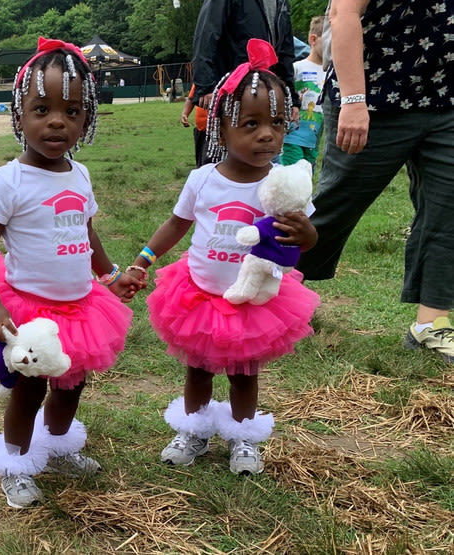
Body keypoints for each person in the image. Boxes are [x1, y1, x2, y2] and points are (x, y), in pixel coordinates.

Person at [131, 40, 319, 476]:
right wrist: (144, 258)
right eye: (251, 124)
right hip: (199, 292)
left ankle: (243, 437)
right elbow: (176, 225)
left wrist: (308, 234)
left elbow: (304, 238)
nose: (267, 134)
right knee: (197, 368)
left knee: (244, 372)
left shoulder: (283, 184)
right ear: (221, 130)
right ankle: (194, 430)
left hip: (251, 300)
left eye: (275, 122)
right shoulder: (203, 180)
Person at [0, 37, 140, 508]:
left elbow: (85, 234)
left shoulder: (79, 175)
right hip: (30, 310)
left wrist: (109, 276)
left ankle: (59, 446)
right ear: (19, 115)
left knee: (72, 384)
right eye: (41, 109)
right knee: (28, 388)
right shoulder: (9, 180)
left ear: (88, 118)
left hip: (80, 305)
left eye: (72, 110)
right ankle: (16, 463)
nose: (57, 121)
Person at [296, 0, 454, 363]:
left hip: (445, 98)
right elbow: (344, 14)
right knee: (336, 202)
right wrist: (354, 100)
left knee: (447, 209)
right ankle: (278, 297)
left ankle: (431, 324)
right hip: (373, 96)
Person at [191, 0, 299, 116]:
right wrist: (205, 86)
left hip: (267, 92)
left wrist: (291, 98)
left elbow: (285, 53)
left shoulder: (281, 3)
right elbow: (207, 34)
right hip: (233, 91)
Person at [280, 16, 326, 170]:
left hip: (314, 139)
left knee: (306, 179)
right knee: (291, 176)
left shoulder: (332, 72)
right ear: (313, 39)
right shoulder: (296, 68)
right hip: (292, 137)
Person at [180, 87, 208, 167]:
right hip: (201, 130)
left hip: (218, 131)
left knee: (208, 162)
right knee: (200, 162)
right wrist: (185, 114)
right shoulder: (201, 79)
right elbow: (191, 98)